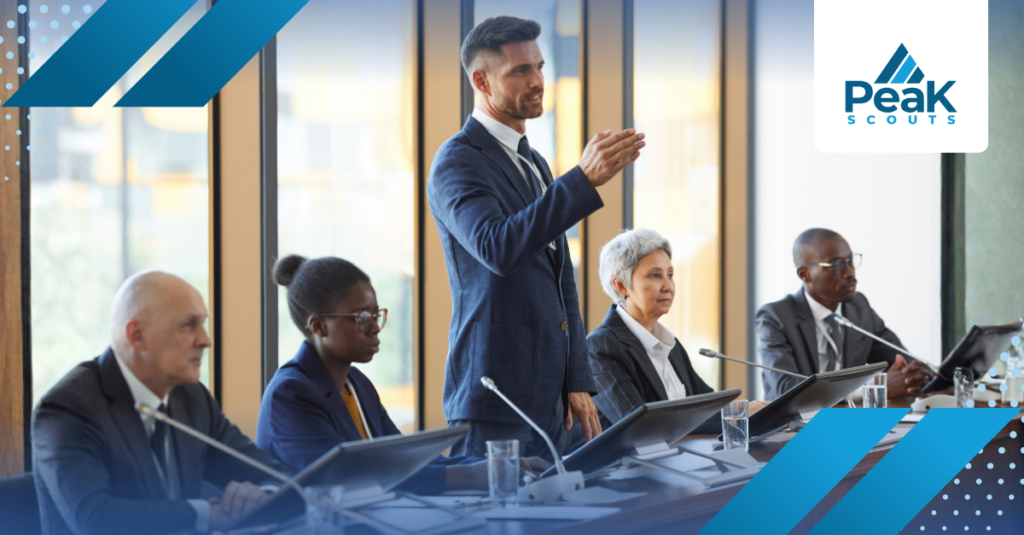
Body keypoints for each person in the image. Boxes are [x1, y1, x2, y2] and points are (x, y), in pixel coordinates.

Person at [428, 15, 645, 458]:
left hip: (551, 396)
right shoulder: (457, 161)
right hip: (495, 393)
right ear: (481, 81)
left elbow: (561, 278)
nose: (538, 81)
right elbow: (497, 246)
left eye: (540, 67)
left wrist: (577, 381)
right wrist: (581, 180)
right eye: (520, 71)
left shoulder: (535, 164)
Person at [256, 255, 548, 494]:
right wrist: (469, 476)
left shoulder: (357, 385)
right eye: (361, 318)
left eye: (376, 314)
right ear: (319, 327)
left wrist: (499, 466)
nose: (375, 327)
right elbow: (344, 480)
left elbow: (407, 462)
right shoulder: (291, 393)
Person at [32, 271, 289, 535]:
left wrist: (261, 495)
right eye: (189, 325)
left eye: (203, 323)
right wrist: (205, 515)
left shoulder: (192, 398)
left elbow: (282, 480)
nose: (206, 340)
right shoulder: (67, 409)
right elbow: (97, 519)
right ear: (137, 335)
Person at [588, 229, 764, 433]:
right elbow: (639, 426)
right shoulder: (600, 347)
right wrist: (736, 417)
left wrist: (748, 410)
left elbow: (707, 405)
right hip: (631, 464)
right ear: (621, 286)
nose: (668, 286)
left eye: (670, 275)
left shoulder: (670, 345)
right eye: (655, 275)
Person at [756, 228, 933, 400]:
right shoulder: (775, 318)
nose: (850, 272)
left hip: (844, 421)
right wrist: (873, 388)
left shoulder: (859, 308)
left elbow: (902, 360)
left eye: (850, 261)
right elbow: (786, 390)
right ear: (805, 274)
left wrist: (921, 378)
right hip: (791, 427)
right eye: (836, 265)